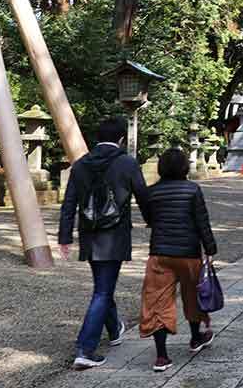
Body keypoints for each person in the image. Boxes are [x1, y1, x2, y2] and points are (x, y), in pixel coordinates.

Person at [58, 116, 149, 370]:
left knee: (103, 286)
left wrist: (65, 237)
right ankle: (85, 349)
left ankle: (115, 329)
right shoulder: (127, 163)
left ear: (97, 138)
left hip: (89, 234)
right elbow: (143, 196)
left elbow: (69, 204)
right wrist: (155, 223)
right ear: (121, 139)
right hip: (115, 234)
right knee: (102, 291)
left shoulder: (80, 165)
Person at [139, 148, 217, 372]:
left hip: (160, 252)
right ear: (184, 167)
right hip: (189, 252)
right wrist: (210, 248)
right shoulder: (192, 190)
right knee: (192, 296)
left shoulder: (151, 192)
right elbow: (202, 221)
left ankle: (161, 356)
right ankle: (195, 337)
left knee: (157, 301)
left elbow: (149, 219)